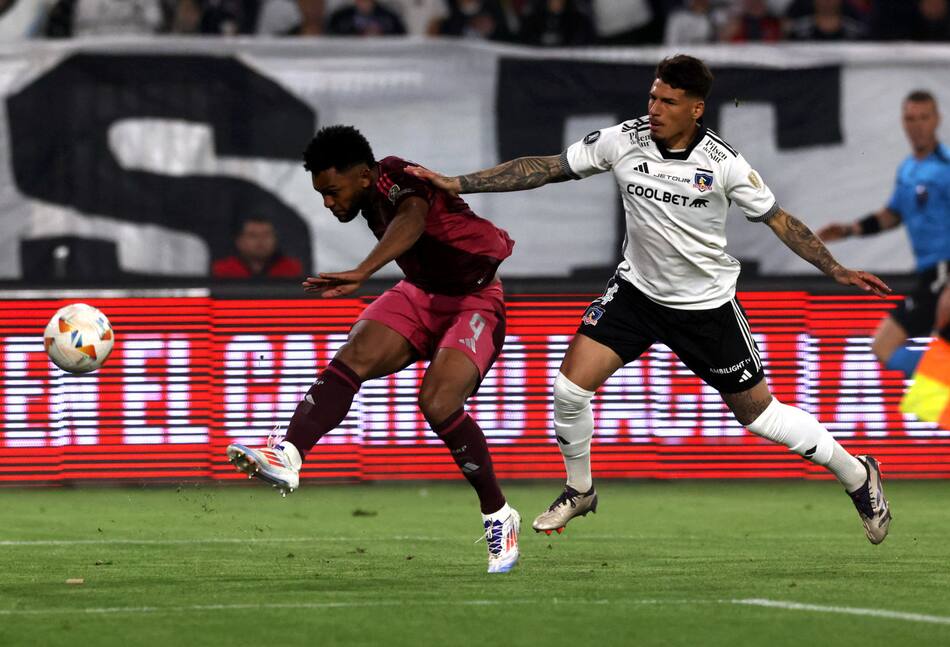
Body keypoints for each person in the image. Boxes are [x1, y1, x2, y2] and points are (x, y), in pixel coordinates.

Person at [409, 54, 894, 545]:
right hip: (636, 295)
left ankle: (857, 475)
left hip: (704, 308)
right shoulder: (623, 140)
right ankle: (580, 490)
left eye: (668, 101)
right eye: (653, 97)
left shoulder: (724, 165)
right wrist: (459, 182)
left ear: (696, 109)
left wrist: (835, 268)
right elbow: (547, 168)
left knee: (760, 416)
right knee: (569, 390)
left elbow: (779, 220)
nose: (655, 108)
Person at [226, 125, 521, 573]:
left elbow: (413, 219)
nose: (328, 202)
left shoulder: (398, 176)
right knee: (354, 355)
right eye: (321, 194)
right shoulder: (366, 194)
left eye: (332, 191)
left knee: (438, 402)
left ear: (364, 175)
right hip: (421, 292)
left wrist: (363, 271)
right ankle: (288, 453)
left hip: (474, 299)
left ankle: (498, 514)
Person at [819, 90, 950, 373]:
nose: (917, 125)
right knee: (894, 351)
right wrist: (848, 230)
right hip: (931, 276)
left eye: (924, 118)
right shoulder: (907, 170)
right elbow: (892, 215)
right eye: (910, 118)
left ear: (937, 119)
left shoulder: (946, 166)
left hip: (945, 275)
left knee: (889, 345)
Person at [211, 215, 304, 279]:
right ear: (239, 241)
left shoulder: (291, 269)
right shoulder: (223, 270)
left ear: (275, 239)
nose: (260, 240)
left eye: (266, 235)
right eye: (253, 235)